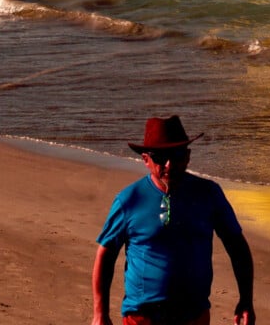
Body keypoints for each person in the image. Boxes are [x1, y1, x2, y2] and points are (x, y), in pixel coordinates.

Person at [91, 115, 255, 325]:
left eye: (176, 155)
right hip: (142, 316)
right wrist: (100, 314)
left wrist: (246, 300)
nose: (169, 164)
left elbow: (237, 246)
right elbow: (106, 254)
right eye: (160, 157)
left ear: (187, 156)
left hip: (194, 315)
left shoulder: (209, 194)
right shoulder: (129, 200)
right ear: (145, 159)